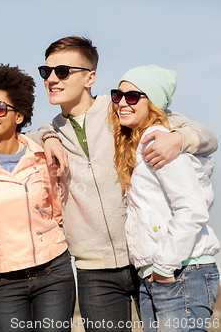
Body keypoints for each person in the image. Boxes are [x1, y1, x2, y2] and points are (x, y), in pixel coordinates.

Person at [31, 36, 218, 331]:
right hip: (94, 272)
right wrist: (47, 135)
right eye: (46, 71)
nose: (52, 79)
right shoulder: (49, 132)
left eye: (63, 71)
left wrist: (180, 138)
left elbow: (204, 134)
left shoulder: (120, 107)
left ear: (90, 77)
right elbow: (21, 136)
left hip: (144, 257)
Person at [0, 64, 75, 332]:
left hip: (54, 272)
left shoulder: (42, 154)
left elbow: (57, 209)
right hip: (4, 280)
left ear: (19, 115)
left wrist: (47, 135)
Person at [109, 64, 220, 332]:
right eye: (117, 95)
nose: (122, 102)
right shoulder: (135, 144)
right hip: (156, 274)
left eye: (133, 96)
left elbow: (192, 209)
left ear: (154, 102)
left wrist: (163, 267)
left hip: (181, 272)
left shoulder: (157, 140)